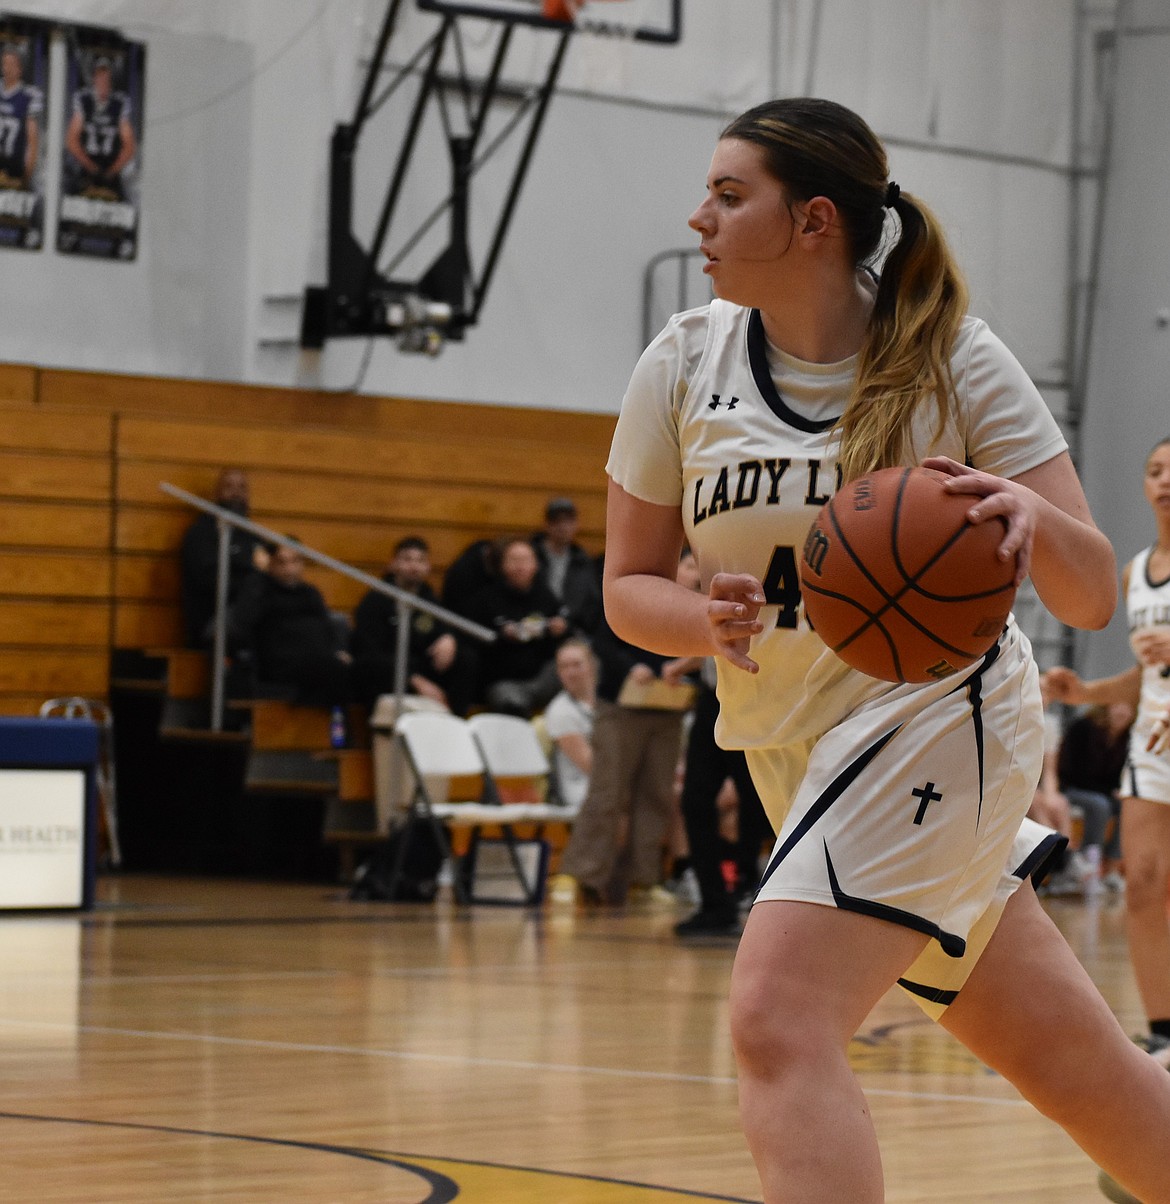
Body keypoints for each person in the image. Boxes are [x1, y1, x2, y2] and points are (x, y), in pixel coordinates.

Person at [600, 96, 1170, 1202]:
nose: (699, 217)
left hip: (942, 718)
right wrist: (698, 618)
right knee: (1083, 1076)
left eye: (729, 194)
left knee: (777, 1013)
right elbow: (626, 588)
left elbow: (1093, 587)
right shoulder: (680, 364)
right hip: (793, 750)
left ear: (814, 220)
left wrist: (1024, 511)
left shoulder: (955, 358)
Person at [1044, 436, 1170, 1066]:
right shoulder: (1136, 571)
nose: (1165, 481)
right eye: (1155, 471)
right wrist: (1086, 690)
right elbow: (1146, 673)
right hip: (1153, 747)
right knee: (1145, 885)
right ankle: (1164, 1032)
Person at [551, 552, 698, 908]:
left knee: (656, 795)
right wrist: (632, 667)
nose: (696, 573)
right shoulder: (640, 593)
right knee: (608, 791)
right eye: (690, 565)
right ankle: (579, 874)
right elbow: (603, 642)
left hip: (667, 709)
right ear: (674, 567)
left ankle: (643, 879)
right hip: (621, 706)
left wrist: (682, 672)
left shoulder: (696, 606)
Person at [674, 654, 771, 937]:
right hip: (712, 697)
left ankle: (750, 884)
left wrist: (679, 666)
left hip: (756, 697)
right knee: (694, 799)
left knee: (757, 798)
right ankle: (714, 903)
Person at [350, 536, 477, 715]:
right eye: (407, 559)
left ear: (427, 567)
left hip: (422, 665)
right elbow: (368, 653)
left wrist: (448, 638)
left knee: (465, 658)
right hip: (388, 671)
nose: (414, 566)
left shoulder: (430, 599)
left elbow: (443, 627)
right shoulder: (375, 600)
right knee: (372, 667)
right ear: (394, 564)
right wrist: (414, 679)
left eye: (420, 560)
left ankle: (455, 719)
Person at [228, 541, 351, 706]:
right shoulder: (259, 588)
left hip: (316, 659)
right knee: (333, 673)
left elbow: (326, 628)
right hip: (280, 662)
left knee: (355, 670)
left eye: (295, 561)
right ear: (270, 563)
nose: (289, 569)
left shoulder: (310, 592)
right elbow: (243, 623)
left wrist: (337, 651)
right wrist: (260, 574)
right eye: (282, 562)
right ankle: (338, 728)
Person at [469, 536, 569, 715]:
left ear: (536, 565)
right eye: (514, 560)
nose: (520, 566)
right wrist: (503, 636)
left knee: (577, 663)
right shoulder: (487, 599)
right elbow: (477, 643)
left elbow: (563, 626)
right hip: (504, 680)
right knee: (510, 702)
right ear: (502, 565)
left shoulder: (545, 595)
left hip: (542, 677)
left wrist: (560, 630)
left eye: (525, 560)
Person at [179, 468, 267, 648]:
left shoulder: (253, 536)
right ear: (217, 494)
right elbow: (208, 581)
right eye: (229, 486)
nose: (236, 493)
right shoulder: (201, 534)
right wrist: (248, 578)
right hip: (213, 618)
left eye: (242, 487)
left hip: (250, 612)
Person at [1057, 701, 1132, 892]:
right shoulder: (1083, 728)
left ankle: (1113, 870)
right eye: (1118, 705)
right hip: (1071, 787)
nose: (1123, 710)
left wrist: (1119, 790)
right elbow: (1075, 772)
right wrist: (1110, 791)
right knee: (1100, 806)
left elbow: (1120, 775)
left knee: (1127, 805)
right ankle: (1087, 865)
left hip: (1102, 792)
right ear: (1106, 706)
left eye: (1128, 707)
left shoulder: (1128, 738)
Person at [64, 56, 136, 200]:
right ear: (94, 79)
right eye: (100, 77)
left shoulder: (120, 103)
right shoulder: (84, 100)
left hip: (111, 169)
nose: (103, 82)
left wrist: (112, 171)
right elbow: (71, 141)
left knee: (130, 196)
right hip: (85, 168)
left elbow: (129, 146)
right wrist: (90, 167)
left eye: (107, 78)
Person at [532, 497, 603, 634]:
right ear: (546, 524)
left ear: (576, 524)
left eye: (568, 521)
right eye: (556, 521)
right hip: (534, 629)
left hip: (572, 632)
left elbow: (592, 604)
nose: (562, 527)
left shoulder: (583, 562)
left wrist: (569, 623)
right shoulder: (531, 556)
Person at [541, 637, 597, 810]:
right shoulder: (560, 710)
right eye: (564, 667)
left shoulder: (610, 703)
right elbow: (591, 765)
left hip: (612, 784)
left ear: (592, 666)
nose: (570, 672)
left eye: (576, 664)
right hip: (581, 790)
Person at [0, 42, 42, 190]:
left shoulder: (29, 95)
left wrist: (26, 177)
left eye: (12, 64)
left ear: (20, 68)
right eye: (5, 63)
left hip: (14, 170)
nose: (8, 69)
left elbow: (32, 142)